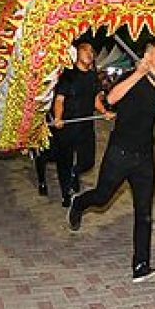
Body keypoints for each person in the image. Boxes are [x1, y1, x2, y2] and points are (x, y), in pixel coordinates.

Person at [67, 42, 155, 283]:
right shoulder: (133, 77)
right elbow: (112, 98)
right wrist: (138, 72)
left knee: (144, 212)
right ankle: (79, 203)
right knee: (102, 197)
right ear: (148, 56)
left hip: (144, 157)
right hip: (120, 153)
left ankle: (141, 265)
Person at [45, 39, 106, 206]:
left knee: (88, 161)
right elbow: (59, 100)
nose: (89, 54)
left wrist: (104, 112)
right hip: (67, 124)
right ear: (77, 54)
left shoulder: (93, 76)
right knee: (64, 160)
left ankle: (74, 173)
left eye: (92, 52)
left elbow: (95, 100)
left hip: (86, 125)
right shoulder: (68, 75)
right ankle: (66, 194)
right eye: (85, 50)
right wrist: (57, 117)